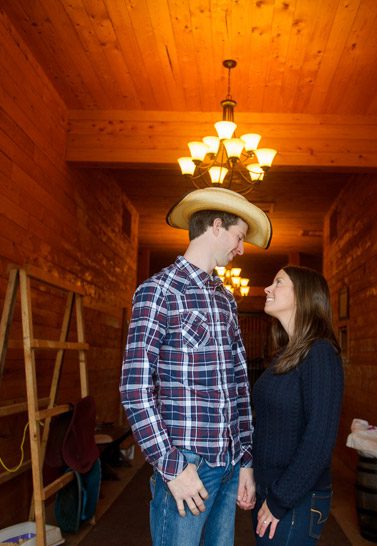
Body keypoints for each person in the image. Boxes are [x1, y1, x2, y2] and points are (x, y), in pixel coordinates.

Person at [119, 187, 272, 546]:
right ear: (216, 227)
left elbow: (238, 386)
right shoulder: (157, 291)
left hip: (230, 462)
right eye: (238, 237)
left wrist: (246, 461)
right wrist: (170, 467)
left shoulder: (226, 299)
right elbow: (134, 388)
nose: (241, 249)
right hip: (187, 465)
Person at [251, 266, 344, 545]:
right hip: (270, 489)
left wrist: (281, 499)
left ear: (303, 295)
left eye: (278, 282)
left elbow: (319, 440)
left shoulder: (321, 354)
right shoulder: (286, 355)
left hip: (294, 498)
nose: (267, 289)